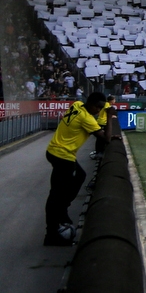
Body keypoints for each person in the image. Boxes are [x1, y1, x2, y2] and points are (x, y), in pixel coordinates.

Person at [43, 91, 119, 246]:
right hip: (63, 156)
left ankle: (62, 212)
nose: (99, 111)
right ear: (91, 104)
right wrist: (110, 117)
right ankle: (52, 233)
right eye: (98, 108)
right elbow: (106, 139)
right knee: (56, 195)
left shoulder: (77, 104)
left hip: (54, 151)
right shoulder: (86, 118)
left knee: (79, 177)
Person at [90, 94, 117, 161]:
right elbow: (109, 112)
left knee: (100, 138)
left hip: (101, 121)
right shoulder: (107, 104)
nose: (115, 100)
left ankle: (98, 152)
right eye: (114, 99)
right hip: (102, 122)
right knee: (101, 138)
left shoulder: (106, 104)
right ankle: (99, 153)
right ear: (111, 100)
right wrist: (112, 115)